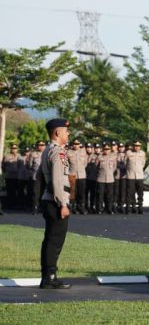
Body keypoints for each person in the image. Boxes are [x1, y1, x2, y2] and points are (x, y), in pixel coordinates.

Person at [38, 118, 72, 289]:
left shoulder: (47, 150)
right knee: (55, 240)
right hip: (56, 201)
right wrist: (63, 204)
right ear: (58, 133)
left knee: (50, 239)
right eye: (66, 131)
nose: (68, 134)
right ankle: (50, 277)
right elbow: (58, 181)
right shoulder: (58, 152)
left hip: (49, 199)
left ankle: (47, 276)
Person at [125, 141, 147, 214]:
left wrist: (138, 169)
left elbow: (143, 163)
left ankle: (140, 207)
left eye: (138, 146)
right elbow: (125, 163)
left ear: (140, 146)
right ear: (133, 146)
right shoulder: (128, 153)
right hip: (131, 175)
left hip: (139, 176)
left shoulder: (143, 153)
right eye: (135, 146)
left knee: (140, 192)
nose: (137, 147)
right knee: (129, 192)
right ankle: (128, 207)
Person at [96, 143, 116, 214]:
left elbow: (114, 167)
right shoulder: (99, 157)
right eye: (105, 149)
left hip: (110, 179)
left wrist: (110, 173)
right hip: (101, 178)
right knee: (100, 195)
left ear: (110, 150)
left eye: (108, 149)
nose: (106, 151)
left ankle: (109, 209)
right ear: (103, 149)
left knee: (109, 195)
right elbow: (96, 166)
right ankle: (99, 209)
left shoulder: (113, 157)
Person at [27, 141, 46, 214]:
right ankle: (35, 207)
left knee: (44, 192)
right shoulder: (33, 154)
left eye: (42, 145)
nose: (40, 146)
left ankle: (43, 207)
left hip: (45, 175)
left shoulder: (47, 153)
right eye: (39, 145)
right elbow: (30, 165)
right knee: (35, 192)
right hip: (36, 175)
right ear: (37, 146)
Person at [3, 144, 23, 210]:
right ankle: (10, 205)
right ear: (11, 149)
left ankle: (16, 205)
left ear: (17, 149)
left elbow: (21, 166)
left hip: (17, 177)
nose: (14, 149)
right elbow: (3, 165)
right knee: (10, 191)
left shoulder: (19, 156)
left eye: (15, 148)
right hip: (9, 176)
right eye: (12, 148)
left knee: (17, 191)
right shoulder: (7, 156)